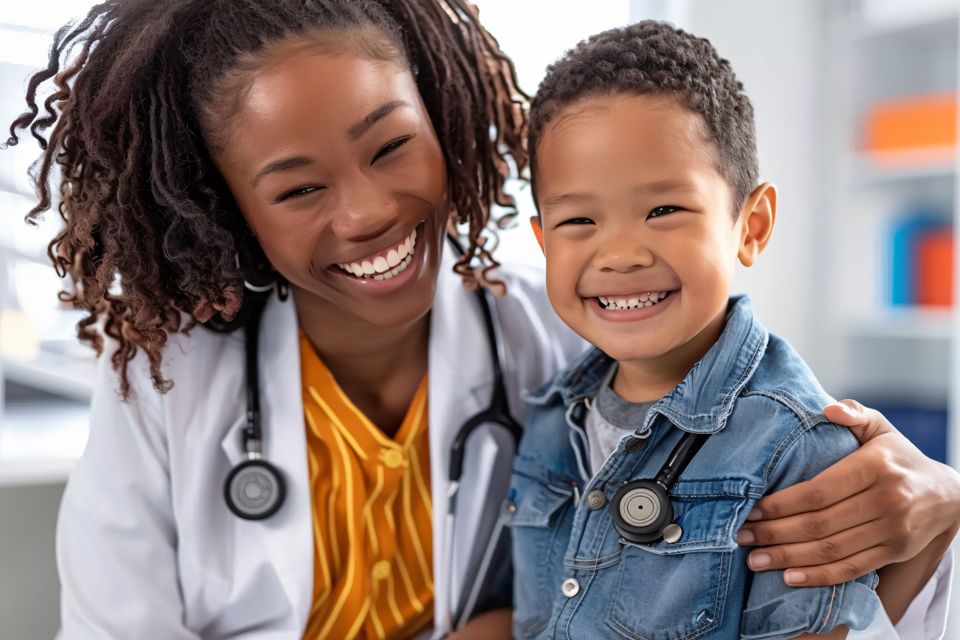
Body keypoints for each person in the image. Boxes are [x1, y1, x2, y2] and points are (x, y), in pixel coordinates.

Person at [3, 1, 957, 638]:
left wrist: (941, 501)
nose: (366, 212)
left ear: (445, 120)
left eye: (390, 148)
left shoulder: (557, 336)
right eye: (297, 189)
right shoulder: (164, 385)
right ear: (226, 207)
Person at [510, 20, 957, 640]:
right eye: (579, 219)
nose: (618, 253)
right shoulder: (546, 412)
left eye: (663, 210)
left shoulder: (802, 448)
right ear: (541, 241)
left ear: (751, 225)